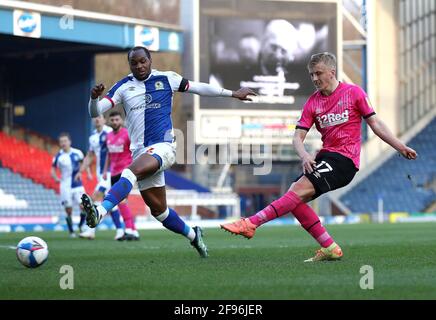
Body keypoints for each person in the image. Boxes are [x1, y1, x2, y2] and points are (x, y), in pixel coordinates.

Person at [221, 52, 418, 262]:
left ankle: (251, 223)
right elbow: (297, 137)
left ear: (331, 72)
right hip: (325, 158)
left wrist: (400, 146)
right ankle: (330, 247)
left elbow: (375, 124)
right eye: (311, 75)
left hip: (345, 161)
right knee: (293, 200)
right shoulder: (313, 103)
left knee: (295, 192)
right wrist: (304, 154)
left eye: (318, 73)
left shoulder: (354, 93)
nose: (314, 79)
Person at [81, 46, 255, 258]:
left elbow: (199, 88)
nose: (139, 66)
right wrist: (93, 99)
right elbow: (95, 112)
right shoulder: (123, 86)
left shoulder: (167, 79)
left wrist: (233, 94)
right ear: (130, 65)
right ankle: (194, 236)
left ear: (150, 60)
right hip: (141, 154)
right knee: (159, 212)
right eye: (134, 63)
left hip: (164, 148)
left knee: (129, 173)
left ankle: (99, 212)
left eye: (143, 61)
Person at [78, 115, 124, 240]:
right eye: (95, 118)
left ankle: (90, 230)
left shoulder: (110, 132)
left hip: (110, 172)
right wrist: (80, 171)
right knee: (110, 203)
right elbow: (90, 156)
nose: (97, 119)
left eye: (99, 117)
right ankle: (120, 230)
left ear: (104, 120)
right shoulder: (93, 137)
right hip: (101, 174)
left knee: (96, 196)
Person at [102, 111, 140, 241]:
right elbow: (108, 154)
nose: (114, 122)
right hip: (113, 173)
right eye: (112, 120)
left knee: (122, 201)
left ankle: (128, 229)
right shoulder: (108, 136)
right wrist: (105, 170)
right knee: (120, 202)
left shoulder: (127, 134)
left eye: (117, 119)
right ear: (109, 121)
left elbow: (136, 150)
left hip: (126, 172)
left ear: (121, 120)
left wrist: (135, 167)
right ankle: (134, 231)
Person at [51, 132, 85, 238]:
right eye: (61, 141)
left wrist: (85, 173)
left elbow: (83, 164)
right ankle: (71, 231)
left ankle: (81, 225)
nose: (63, 143)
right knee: (68, 209)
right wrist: (56, 177)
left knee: (83, 206)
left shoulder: (78, 153)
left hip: (78, 185)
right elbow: (52, 169)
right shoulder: (58, 156)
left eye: (65, 141)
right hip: (65, 186)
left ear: (69, 141)